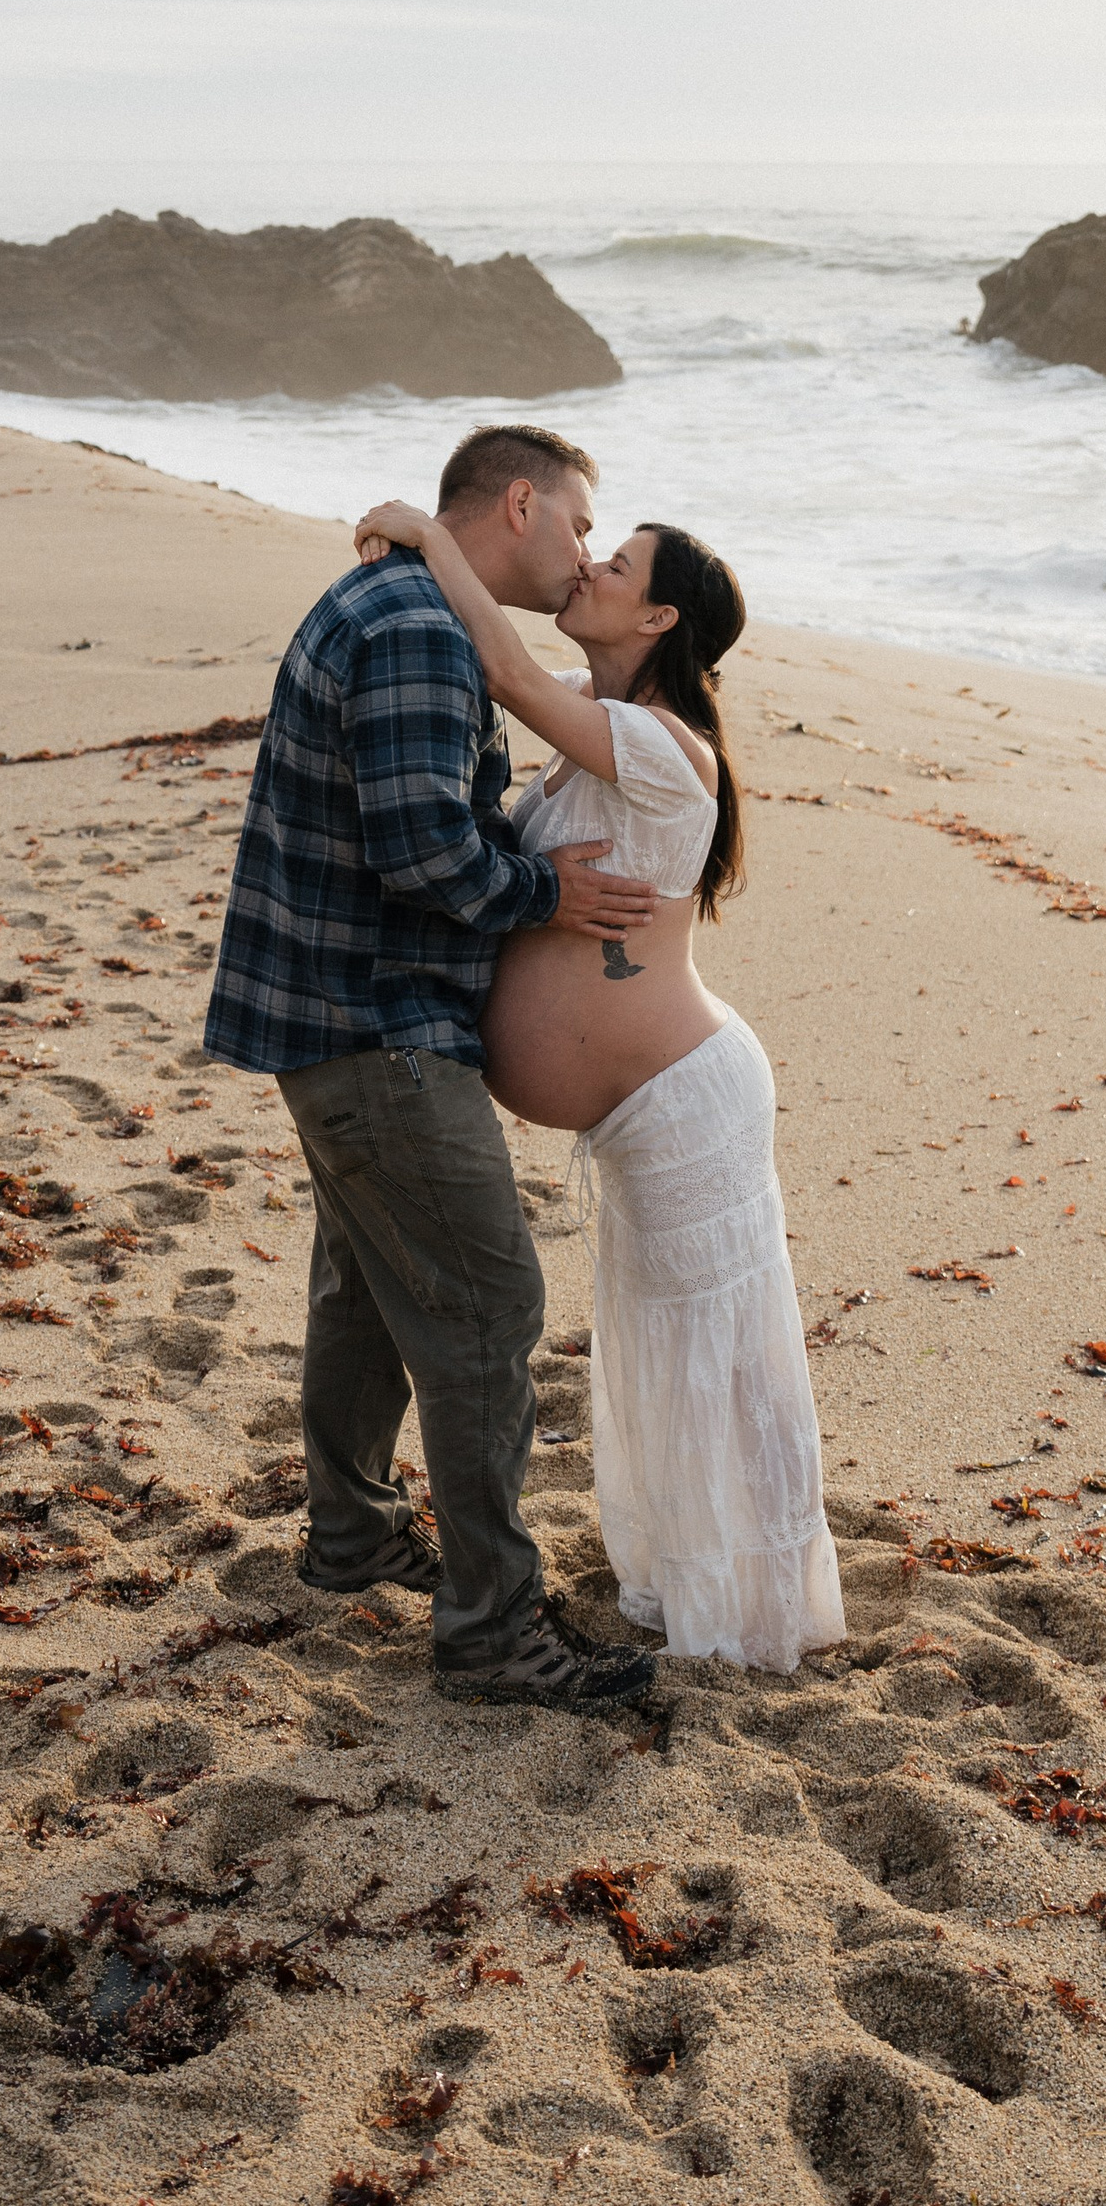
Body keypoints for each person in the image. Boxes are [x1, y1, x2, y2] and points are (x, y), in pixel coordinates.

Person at [203, 422, 663, 1711]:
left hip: (339, 1021)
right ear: (519, 502)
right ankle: (490, 1629)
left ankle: (350, 1532)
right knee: (482, 1309)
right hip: (379, 1030)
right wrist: (548, 893)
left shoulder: (404, 597)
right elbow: (426, 855)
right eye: (579, 523)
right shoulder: (414, 626)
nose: (583, 553)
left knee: (365, 1293)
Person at [351, 493, 845, 1676]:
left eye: (614, 562)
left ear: (659, 612)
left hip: (686, 1099)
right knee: (665, 1342)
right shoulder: (599, 742)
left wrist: (432, 541)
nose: (587, 566)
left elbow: (513, 671)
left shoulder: (667, 745)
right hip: (645, 1110)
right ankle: (694, 1579)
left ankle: (763, 1606)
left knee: (723, 1350)